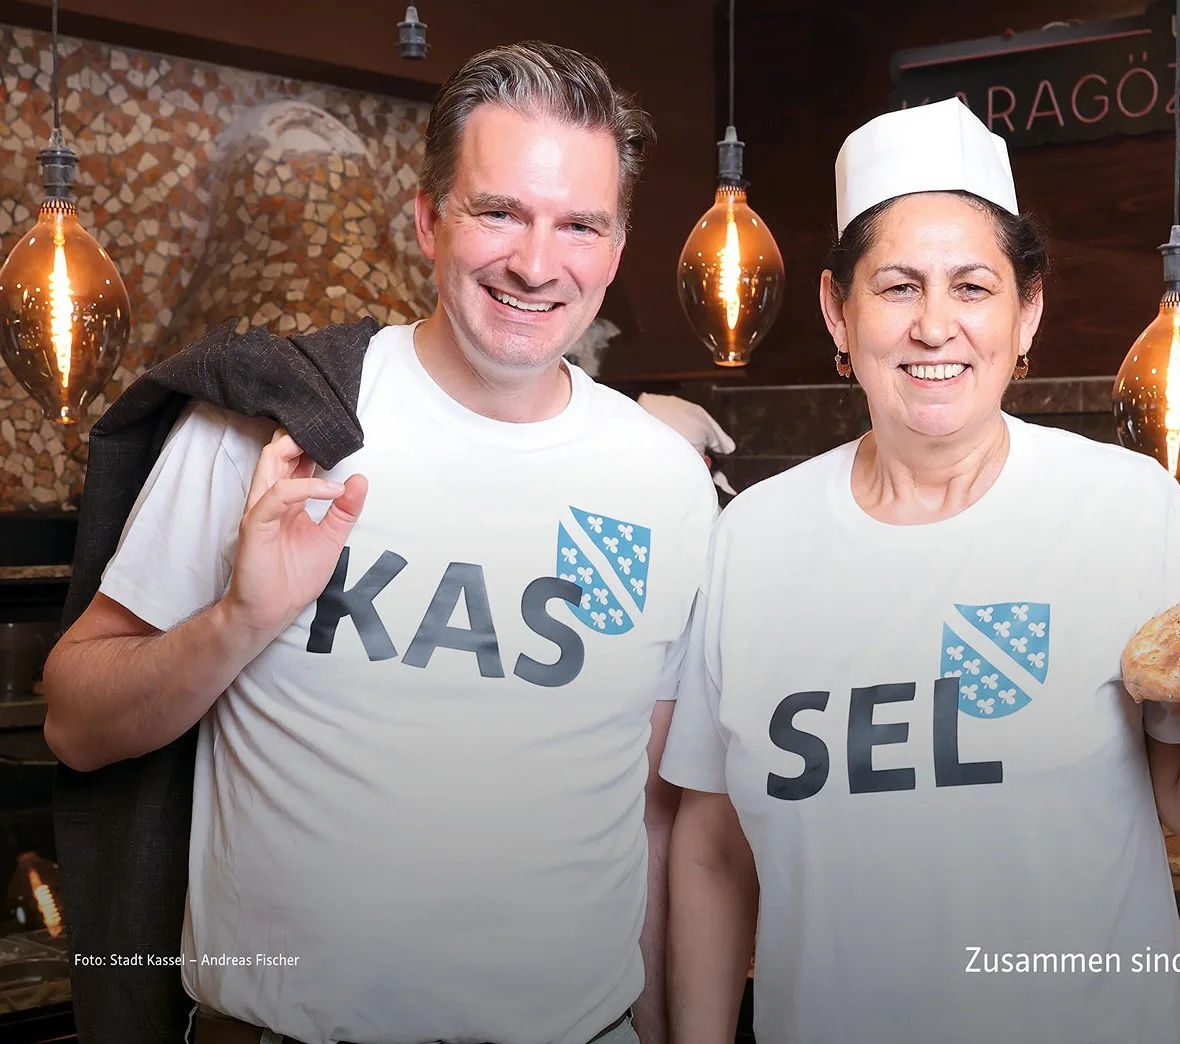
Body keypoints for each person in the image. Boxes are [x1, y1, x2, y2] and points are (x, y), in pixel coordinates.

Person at [43, 42, 714, 1044]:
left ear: (615, 250)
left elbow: (656, 819)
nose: (537, 264)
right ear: (428, 219)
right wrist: (238, 622)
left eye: (578, 225)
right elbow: (74, 723)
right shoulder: (280, 426)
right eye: (499, 213)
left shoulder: (663, 483)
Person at [659, 98, 1180, 1044]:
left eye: (971, 287)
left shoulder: (1125, 510)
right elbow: (713, 850)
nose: (935, 327)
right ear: (837, 312)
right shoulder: (751, 537)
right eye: (897, 287)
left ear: (1026, 312)